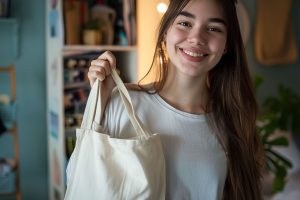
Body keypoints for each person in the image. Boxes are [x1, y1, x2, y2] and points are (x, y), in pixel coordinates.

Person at [87, 0, 264, 199]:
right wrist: (98, 106)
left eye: (213, 28)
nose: (197, 38)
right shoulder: (123, 104)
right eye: (185, 24)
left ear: (226, 45)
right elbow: (84, 180)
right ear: (165, 30)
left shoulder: (234, 120)